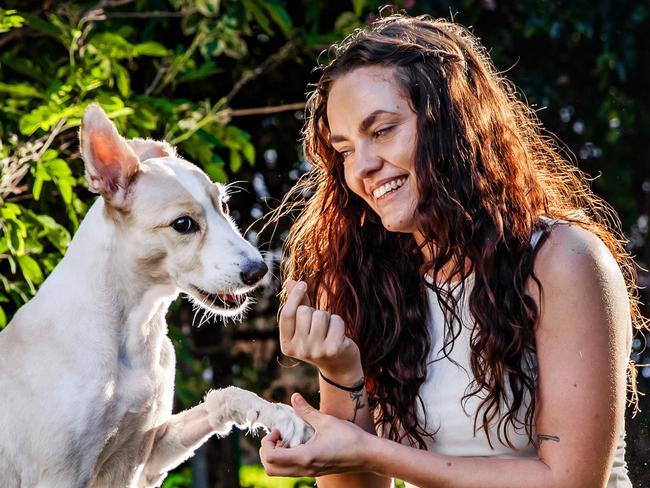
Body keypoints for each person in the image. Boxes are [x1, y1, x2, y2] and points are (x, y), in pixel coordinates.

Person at [259, 13, 646, 488]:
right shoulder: (366, 277)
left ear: (453, 126)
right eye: (343, 149)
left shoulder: (562, 260)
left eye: (381, 131)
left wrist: (370, 450)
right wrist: (342, 375)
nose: (362, 166)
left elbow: (568, 482)